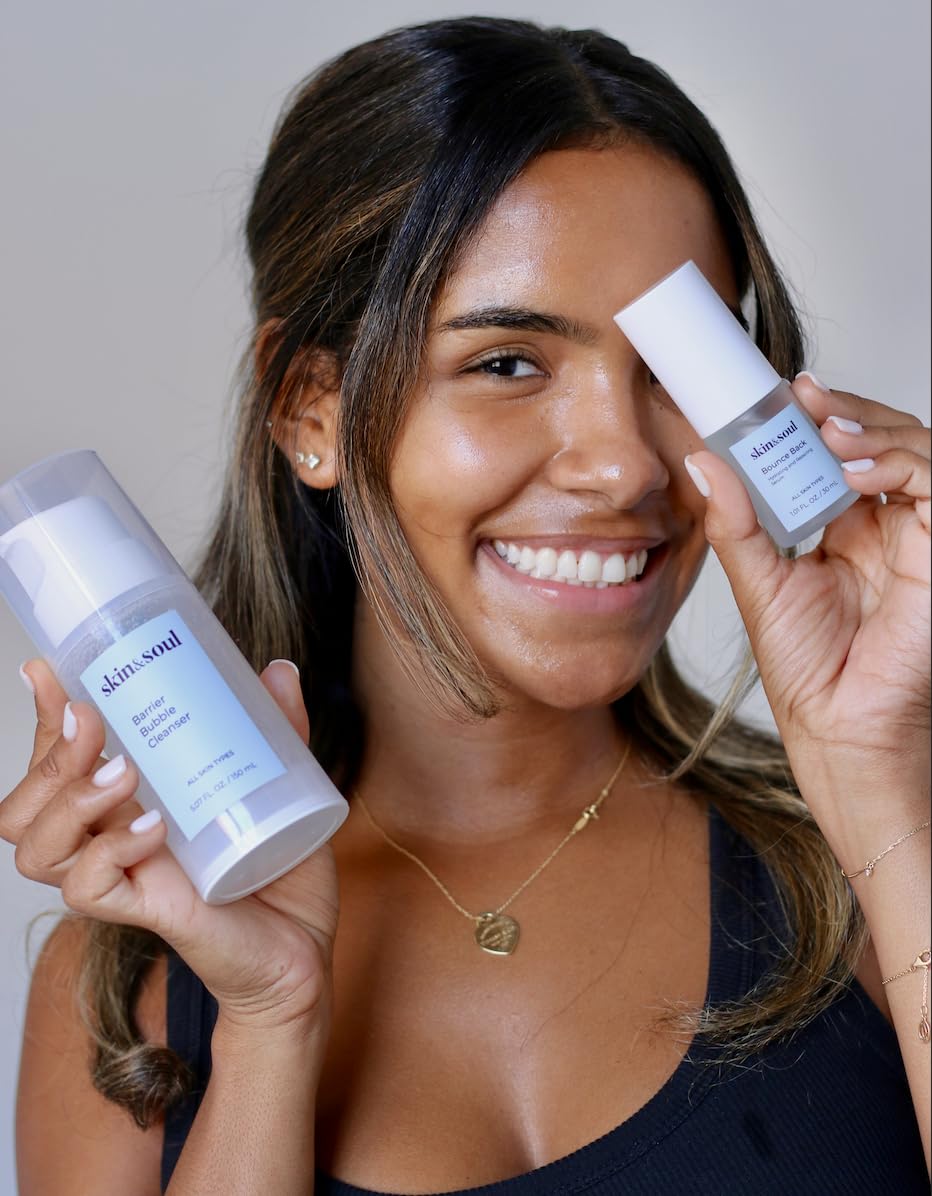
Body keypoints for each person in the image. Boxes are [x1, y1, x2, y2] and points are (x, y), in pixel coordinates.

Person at [4, 16, 930, 1195]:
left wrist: (876, 774)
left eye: (675, 369)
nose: (623, 465)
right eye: (505, 364)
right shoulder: (131, 987)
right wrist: (269, 1019)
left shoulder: (862, 862)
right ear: (309, 407)